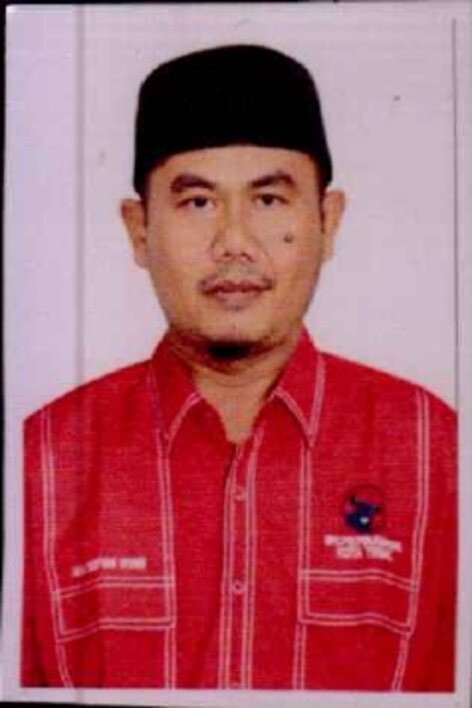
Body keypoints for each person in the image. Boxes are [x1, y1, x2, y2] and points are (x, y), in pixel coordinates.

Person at [21, 44, 456, 691]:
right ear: (139, 230)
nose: (234, 242)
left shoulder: (436, 451)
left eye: (269, 200)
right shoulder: (43, 461)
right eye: (198, 203)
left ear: (328, 221)